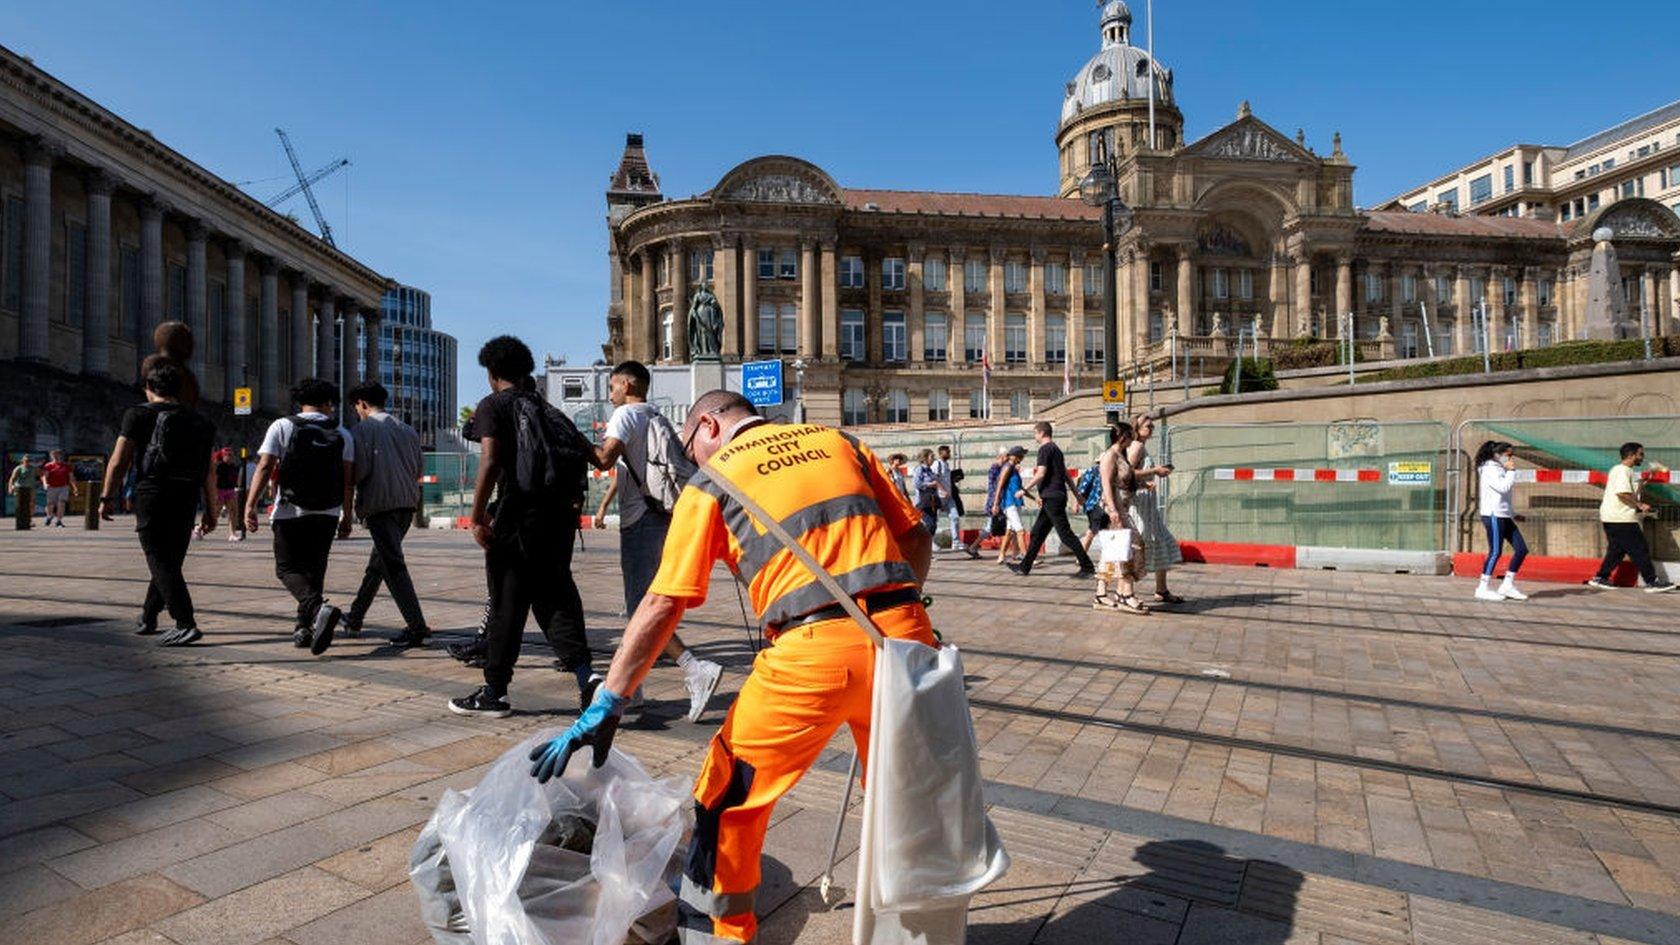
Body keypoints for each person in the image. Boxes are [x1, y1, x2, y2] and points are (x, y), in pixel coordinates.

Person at [524, 389, 936, 945]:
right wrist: (891, 613)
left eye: (691, 447)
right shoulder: (843, 442)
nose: (692, 459)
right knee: (903, 795)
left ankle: (721, 933)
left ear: (709, 425)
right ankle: (917, 930)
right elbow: (914, 535)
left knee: (727, 798)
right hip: (906, 639)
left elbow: (662, 603)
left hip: (809, 653)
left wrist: (609, 699)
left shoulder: (713, 483)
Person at [449, 336, 595, 717]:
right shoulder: (550, 411)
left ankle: (494, 692)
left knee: (506, 604)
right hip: (561, 519)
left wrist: (478, 516)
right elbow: (590, 456)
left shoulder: (494, 405)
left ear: (492, 372)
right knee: (557, 599)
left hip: (517, 517)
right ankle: (587, 679)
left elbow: (490, 460)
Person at [589, 360, 725, 722]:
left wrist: (568, 437)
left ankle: (695, 668)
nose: (611, 392)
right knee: (646, 606)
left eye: (614, 385)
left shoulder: (624, 415)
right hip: (662, 514)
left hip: (641, 521)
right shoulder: (655, 416)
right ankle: (630, 691)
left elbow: (605, 459)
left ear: (629, 383)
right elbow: (630, 469)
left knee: (642, 611)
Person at [97, 361, 217, 645]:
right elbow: (208, 470)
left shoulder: (137, 414)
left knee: (160, 559)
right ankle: (149, 615)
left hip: (153, 492)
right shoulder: (201, 421)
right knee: (170, 560)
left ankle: (185, 621)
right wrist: (211, 509)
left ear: (149, 388)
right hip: (187, 495)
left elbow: (119, 460)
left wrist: (106, 497)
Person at [244, 377, 356, 655]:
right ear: (329, 403)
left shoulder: (282, 426)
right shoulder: (343, 433)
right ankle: (303, 627)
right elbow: (347, 481)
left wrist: (250, 505)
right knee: (314, 571)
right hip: (328, 512)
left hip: (289, 511)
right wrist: (347, 516)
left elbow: (265, 466)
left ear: (299, 400)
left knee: (286, 568)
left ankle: (318, 612)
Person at [343, 381, 432, 647]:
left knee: (392, 565)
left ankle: (417, 626)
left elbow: (359, 472)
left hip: (380, 505)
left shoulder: (363, 430)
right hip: (406, 504)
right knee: (378, 564)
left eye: (356, 407)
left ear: (361, 404)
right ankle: (356, 616)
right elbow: (418, 468)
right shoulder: (407, 429)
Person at [1009, 421, 1096, 577]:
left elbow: (1041, 473)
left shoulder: (1044, 449)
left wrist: (1024, 490)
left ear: (1042, 433)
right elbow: (1066, 475)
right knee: (1037, 532)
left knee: (1065, 534)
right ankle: (1024, 567)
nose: (1034, 436)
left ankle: (1087, 566)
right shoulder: (1056, 450)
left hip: (1052, 497)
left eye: (1035, 433)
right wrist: (1077, 495)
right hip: (1055, 497)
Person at [1587, 442, 1674, 593]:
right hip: (1621, 518)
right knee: (1640, 548)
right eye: (1640, 454)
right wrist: (1640, 505)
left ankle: (1601, 577)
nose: (1643, 457)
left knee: (1617, 550)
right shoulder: (1622, 471)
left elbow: (1631, 492)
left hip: (1612, 516)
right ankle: (1651, 582)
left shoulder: (1624, 471)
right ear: (1631, 455)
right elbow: (1622, 493)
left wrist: (1646, 480)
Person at [1127, 414, 1185, 605]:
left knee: (1161, 541)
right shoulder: (1136, 446)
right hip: (1140, 507)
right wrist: (1155, 471)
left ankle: (1161, 589)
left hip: (1147, 505)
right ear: (1137, 427)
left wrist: (1147, 481)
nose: (1151, 428)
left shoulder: (1139, 446)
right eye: (1148, 425)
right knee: (1138, 546)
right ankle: (1128, 592)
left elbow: (1135, 476)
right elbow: (1126, 473)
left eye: (1153, 426)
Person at [1096, 421, 1149, 614]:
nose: (1132, 439)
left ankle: (1101, 594)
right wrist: (1113, 510)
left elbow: (1124, 481)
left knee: (1113, 550)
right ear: (1122, 437)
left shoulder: (1121, 455)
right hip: (1116, 508)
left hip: (1122, 506)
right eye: (1130, 435)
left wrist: (1143, 485)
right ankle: (1126, 594)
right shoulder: (1110, 455)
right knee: (1132, 545)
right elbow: (1107, 484)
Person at [1474, 440, 1527, 602]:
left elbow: (1504, 497)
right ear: (1497, 455)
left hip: (1503, 515)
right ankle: (1482, 587)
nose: (1511, 458)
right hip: (1493, 515)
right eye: (1508, 455)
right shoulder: (1489, 469)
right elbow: (1502, 487)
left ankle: (1507, 585)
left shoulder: (1500, 468)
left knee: (1521, 549)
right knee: (1496, 551)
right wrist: (1511, 471)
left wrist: (1512, 513)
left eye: (1512, 455)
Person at [995, 446, 1028, 565]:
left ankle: (1001, 555)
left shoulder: (1014, 468)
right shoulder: (1008, 467)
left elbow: (1020, 488)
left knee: (1010, 531)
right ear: (1015, 456)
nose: (1023, 458)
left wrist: (1034, 498)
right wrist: (996, 504)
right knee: (1020, 531)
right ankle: (1027, 558)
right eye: (1021, 455)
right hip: (1010, 503)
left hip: (1016, 503)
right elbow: (1000, 485)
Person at [39, 450, 77, 527]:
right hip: (52, 487)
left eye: (58, 455)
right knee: (50, 504)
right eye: (54, 455)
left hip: (63, 487)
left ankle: (59, 521)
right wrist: (45, 484)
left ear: (61, 456)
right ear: (51, 456)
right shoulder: (48, 466)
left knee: (61, 503)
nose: (56, 457)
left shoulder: (66, 466)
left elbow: (71, 477)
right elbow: (44, 476)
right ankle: (49, 516)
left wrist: (74, 488)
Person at [212, 448, 243, 541]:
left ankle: (232, 534)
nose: (230, 457)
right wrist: (214, 494)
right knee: (215, 513)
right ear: (223, 456)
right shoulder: (219, 466)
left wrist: (237, 487)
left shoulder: (234, 466)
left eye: (231, 455)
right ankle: (200, 528)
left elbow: (237, 478)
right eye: (228, 455)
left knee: (233, 512)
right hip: (220, 491)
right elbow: (214, 480)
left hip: (230, 490)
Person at [912, 448, 945, 535]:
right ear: (925, 458)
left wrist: (940, 503)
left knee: (933, 525)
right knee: (930, 524)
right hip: (923, 502)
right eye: (932, 456)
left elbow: (935, 488)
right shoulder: (919, 469)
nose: (933, 458)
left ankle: (928, 545)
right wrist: (930, 484)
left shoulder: (930, 471)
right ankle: (924, 544)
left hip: (932, 502)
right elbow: (917, 484)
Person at [8, 454, 40, 530]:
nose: (28, 462)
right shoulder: (18, 468)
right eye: (26, 461)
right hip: (20, 488)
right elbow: (12, 479)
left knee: (28, 507)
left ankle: (26, 525)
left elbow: (41, 475)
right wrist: (10, 488)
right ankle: (19, 525)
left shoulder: (34, 469)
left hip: (30, 489)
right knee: (19, 507)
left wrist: (42, 482)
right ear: (23, 461)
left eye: (29, 461)